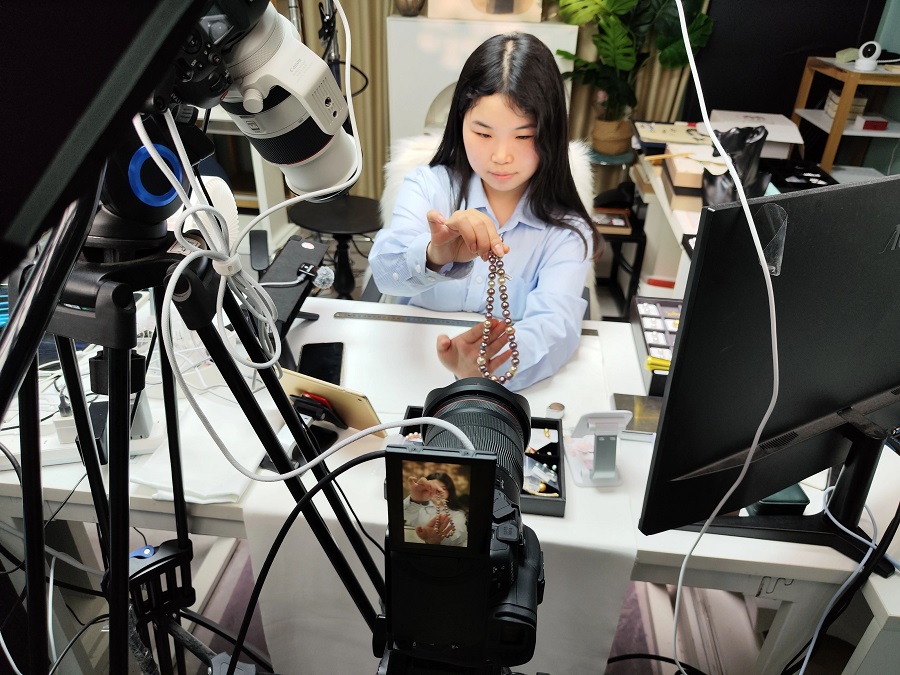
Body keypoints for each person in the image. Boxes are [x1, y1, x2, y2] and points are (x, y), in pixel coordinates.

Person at [368, 32, 600, 391]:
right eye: (483, 133)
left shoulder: (567, 231)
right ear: (460, 124)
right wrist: (433, 256)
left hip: (504, 390)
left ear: (550, 134)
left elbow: (556, 328)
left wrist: (486, 372)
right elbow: (384, 273)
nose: (501, 156)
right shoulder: (428, 186)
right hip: (407, 367)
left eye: (524, 136)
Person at [402, 472, 468, 546]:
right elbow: (401, 515)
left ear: (450, 491)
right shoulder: (418, 508)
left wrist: (438, 540)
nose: (439, 491)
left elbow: (458, 536)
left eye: (444, 488)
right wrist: (415, 499)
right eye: (433, 488)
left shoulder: (457, 513)